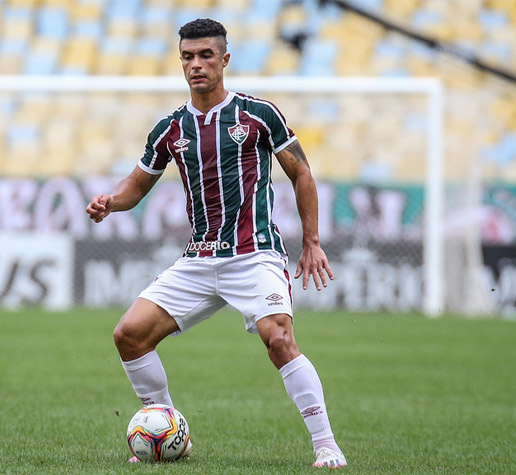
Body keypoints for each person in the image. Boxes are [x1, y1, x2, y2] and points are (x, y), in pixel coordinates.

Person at [85, 18, 347, 469]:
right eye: (188, 57)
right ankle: (168, 426)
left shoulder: (258, 114)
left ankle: (325, 444)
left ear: (224, 60)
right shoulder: (170, 128)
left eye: (206, 55)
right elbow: (136, 185)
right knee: (128, 335)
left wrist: (313, 241)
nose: (196, 65)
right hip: (200, 258)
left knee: (279, 338)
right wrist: (111, 201)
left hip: (254, 254)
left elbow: (301, 172)